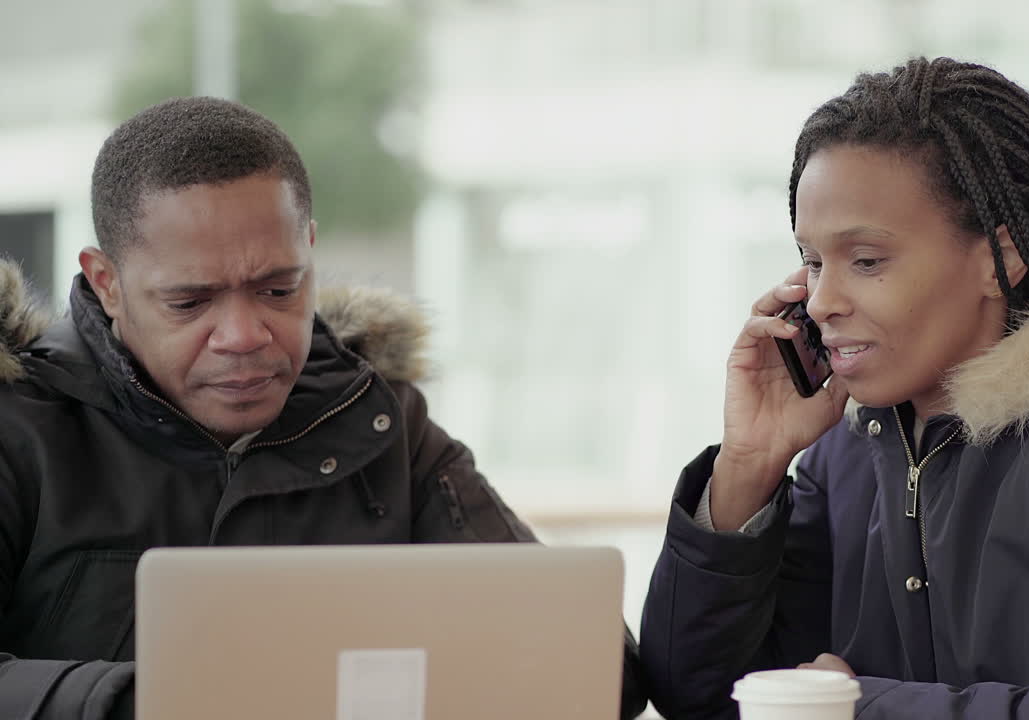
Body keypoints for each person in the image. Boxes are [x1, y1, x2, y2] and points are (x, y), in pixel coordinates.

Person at [639, 56, 1029, 719]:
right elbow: (704, 699)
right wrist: (749, 468)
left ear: (999, 259)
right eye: (811, 260)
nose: (822, 300)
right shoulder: (848, 455)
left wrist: (850, 708)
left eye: (865, 261)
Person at [0, 97, 647, 720]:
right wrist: (155, 702)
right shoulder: (17, 433)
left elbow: (593, 666)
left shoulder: (382, 423)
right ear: (107, 282)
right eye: (190, 302)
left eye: (279, 289)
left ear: (309, 248)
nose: (244, 335)